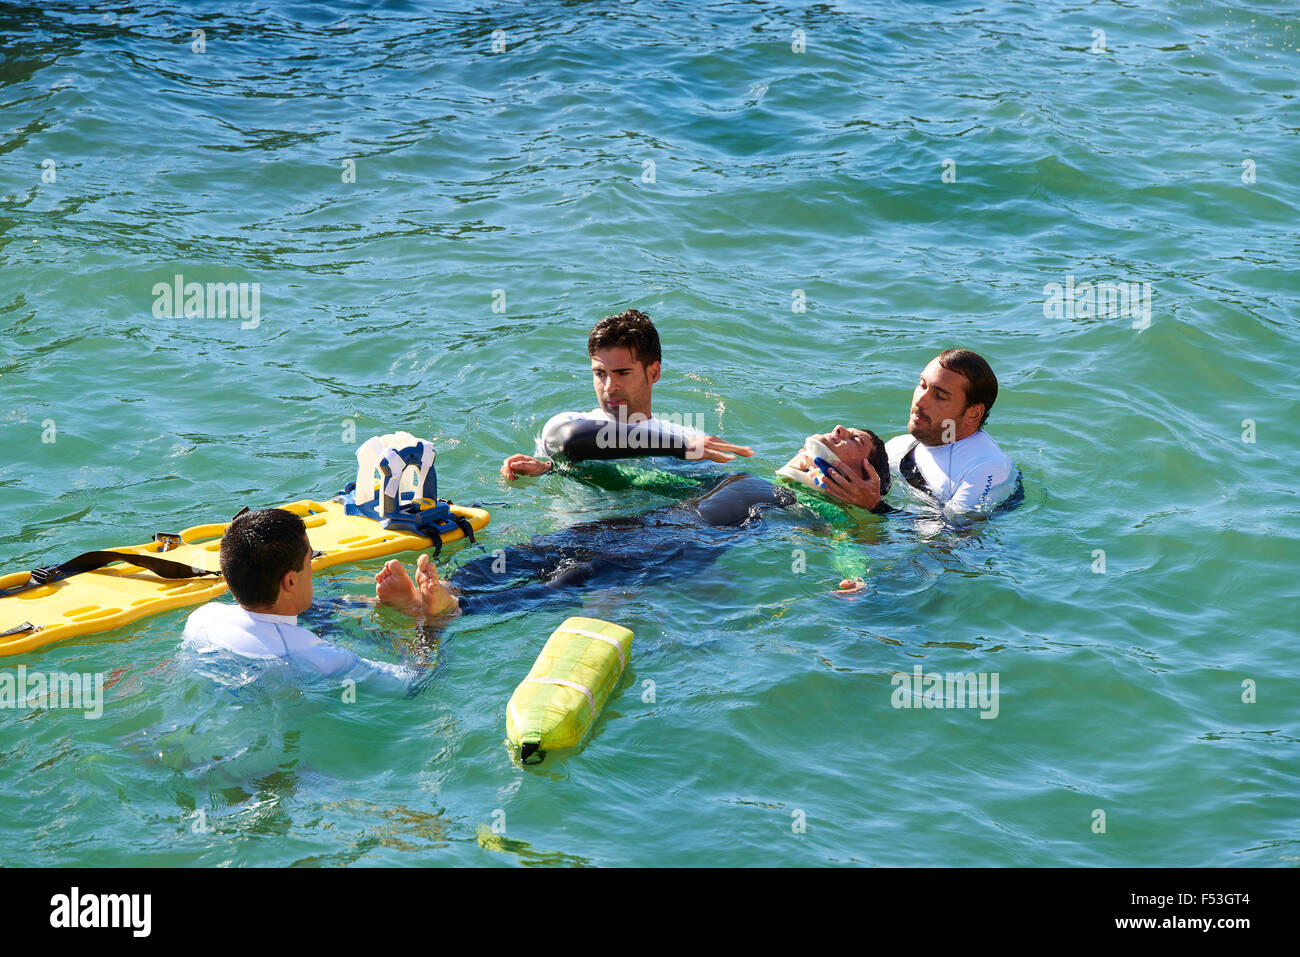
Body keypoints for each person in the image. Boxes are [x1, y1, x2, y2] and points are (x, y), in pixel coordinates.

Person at [377, 426, 892, 620]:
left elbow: (848, 540)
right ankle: (450, 584)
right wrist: (554, 467)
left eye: (855, 440)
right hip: (657, 520)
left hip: (688, 544)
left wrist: (857, 571)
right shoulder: (747, 476)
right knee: (540, 548)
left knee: (578, 574)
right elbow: (642, 484)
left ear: (863, 473)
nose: (840, 429)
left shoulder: (823, 507)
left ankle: (455, 608)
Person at [499, 309, 753, 480]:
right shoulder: (569, 422)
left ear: (653, 373)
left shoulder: (692, 439)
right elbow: (570, 441)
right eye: (600, 373)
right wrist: (547, 470)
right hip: (577, 540)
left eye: (622, 373)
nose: (609, 387)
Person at [182, 508, 416, 688]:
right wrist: (430, 620)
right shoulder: (321, 657)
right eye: (310, 559)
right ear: (291, 581)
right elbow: (412, 684)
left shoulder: (202, 617)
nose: (313, 570)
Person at [819, 349, 1018, 517]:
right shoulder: (901, 446)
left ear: (973, 414)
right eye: (922, 385)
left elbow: (952, 542)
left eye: (939, 396)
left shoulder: (985, 468)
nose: (920, 401)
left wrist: (875, 508)